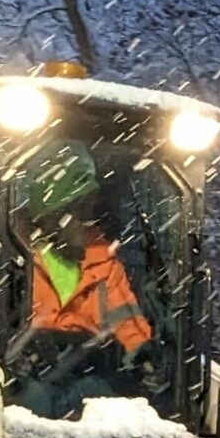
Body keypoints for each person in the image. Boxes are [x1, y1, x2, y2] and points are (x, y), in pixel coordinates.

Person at [26, 143, 152, 354]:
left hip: (89, 376)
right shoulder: (14, 261)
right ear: (53, 215)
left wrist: (144, 353)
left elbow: (129, 326)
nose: (89, 222)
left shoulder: (104, 264)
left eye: (90, 210)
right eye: (80, 211)